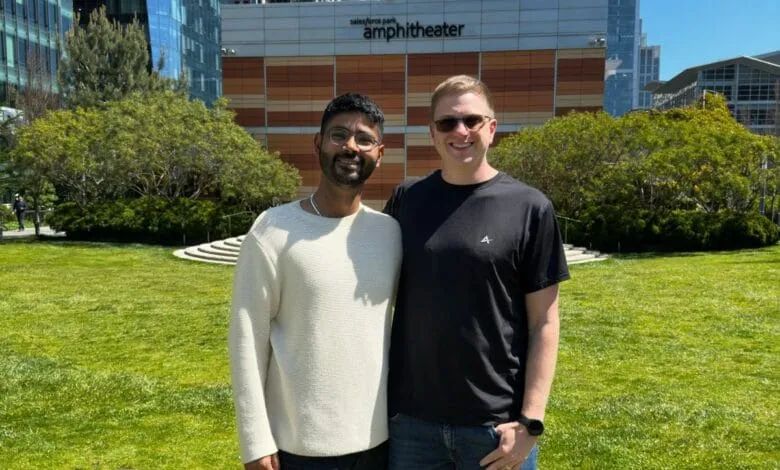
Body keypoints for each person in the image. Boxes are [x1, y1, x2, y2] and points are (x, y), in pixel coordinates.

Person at [384, 75, 570, 470]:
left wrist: (529, 422)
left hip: (495, 429)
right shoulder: (406, 200)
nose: (460, 131)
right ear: (432, 133)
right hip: (411, 426)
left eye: (471, 120)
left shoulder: (529, 207)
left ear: (492, 128)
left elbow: (545, 323)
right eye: (447, 123)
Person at [229, 92, 402, 470]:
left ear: (380, 152)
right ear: (318, 144)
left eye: (364, 139)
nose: (351, 147)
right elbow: (246, 339)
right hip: (297, 448)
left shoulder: (389, 234)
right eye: (338, 135)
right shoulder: (272, 229)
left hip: (379, 445)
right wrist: (254, 440)